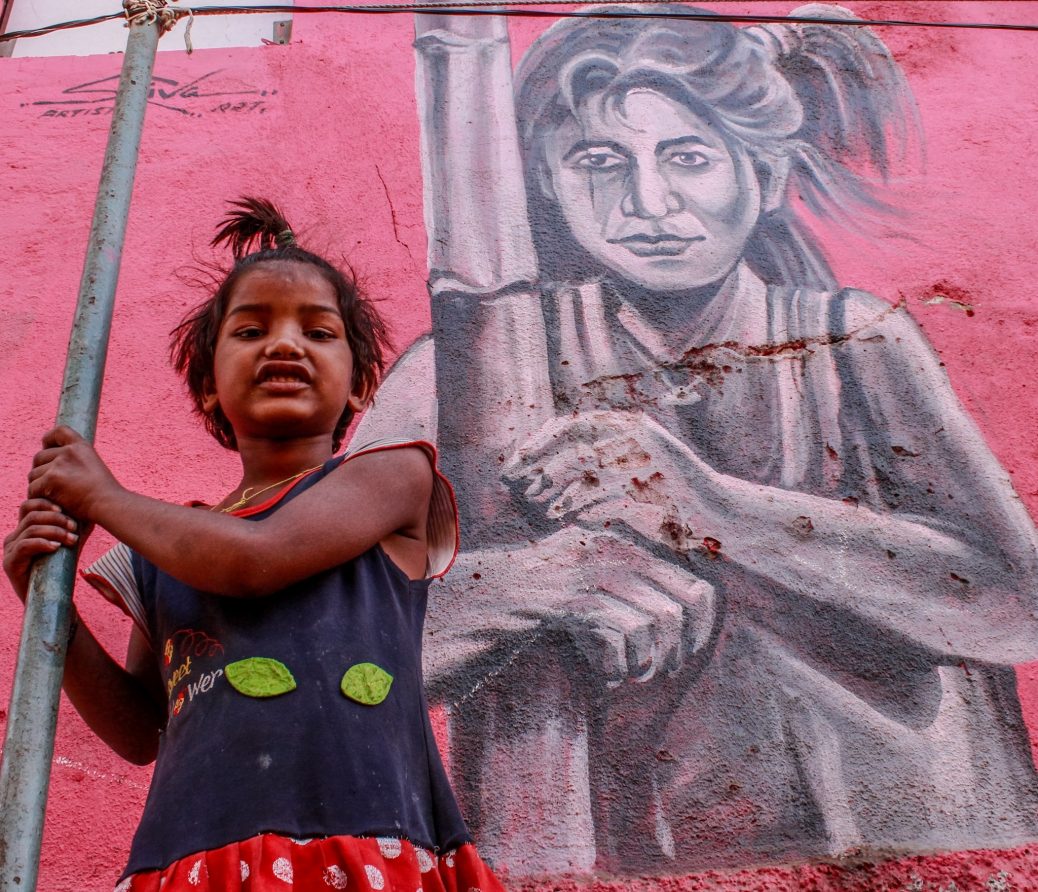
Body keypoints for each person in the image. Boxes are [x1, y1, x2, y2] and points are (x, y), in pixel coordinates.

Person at [354, 5, 1038, 876]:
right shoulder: (468, 369)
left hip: (925, 859)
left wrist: (710, 505)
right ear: (548, 183)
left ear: (763, 172)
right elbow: (324, 657)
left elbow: (1019, 604)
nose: (648, 203)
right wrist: (535, 582)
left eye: (687, 156)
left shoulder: (855, 343)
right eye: (600, 162)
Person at [3, 198, 505, 892]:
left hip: (363, 844)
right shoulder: (162, 551)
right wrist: (44, 602)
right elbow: (140, 730)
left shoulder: (392, 476)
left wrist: (105, 499)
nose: (285, 345)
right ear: (208, 388)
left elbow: (254, 560)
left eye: (318, 331)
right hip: (194, 856)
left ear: (361, 384)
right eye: (251, 329)